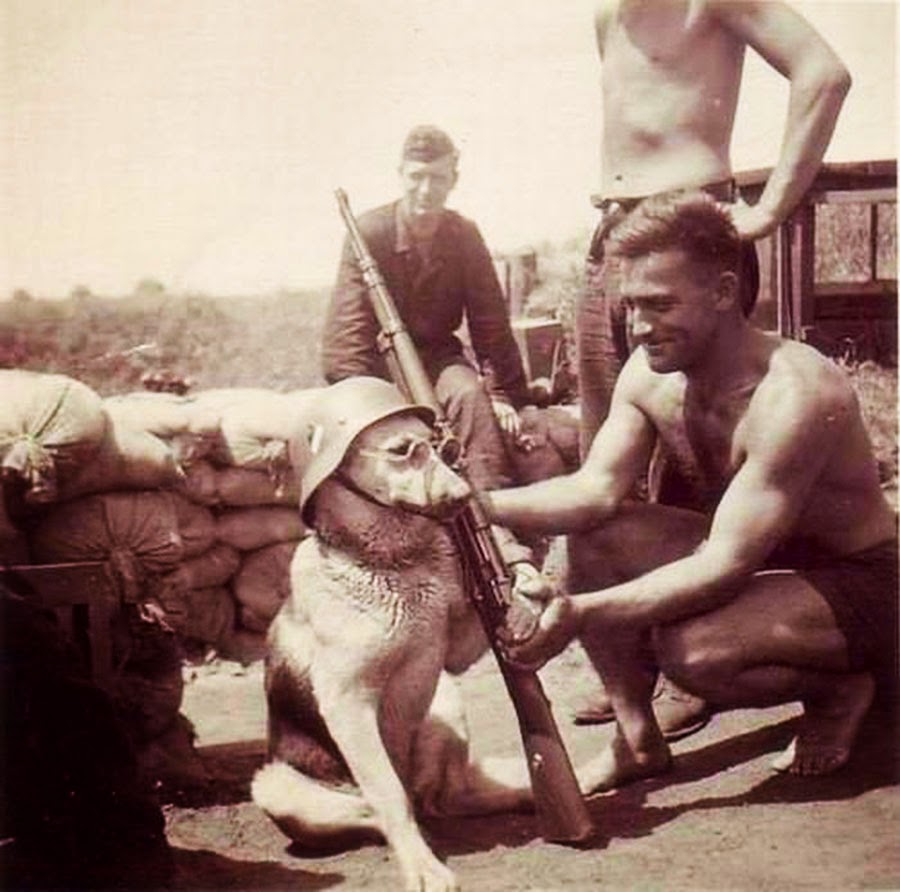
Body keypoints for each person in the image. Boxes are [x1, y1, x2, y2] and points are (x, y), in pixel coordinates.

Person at [480, 192, 897, 791]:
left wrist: (577, 613)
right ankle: (636, 742)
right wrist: (473, 503)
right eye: (630, 307)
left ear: (724, 292)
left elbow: (725, 566)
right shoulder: (651, 370)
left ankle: (840, 689)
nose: (639, 326)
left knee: (695, 653)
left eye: (659, 304)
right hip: (765, 559)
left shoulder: (796, 393)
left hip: (862, 583)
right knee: (594, 536)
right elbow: (594, 492)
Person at [573, 0, 852, 735]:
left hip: (689, 232)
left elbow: (825, 74)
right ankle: (631, 660)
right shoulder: (608, 17)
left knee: (698, 458)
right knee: (608, 460)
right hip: (614, 239)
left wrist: (769, 210)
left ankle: (700, 660)